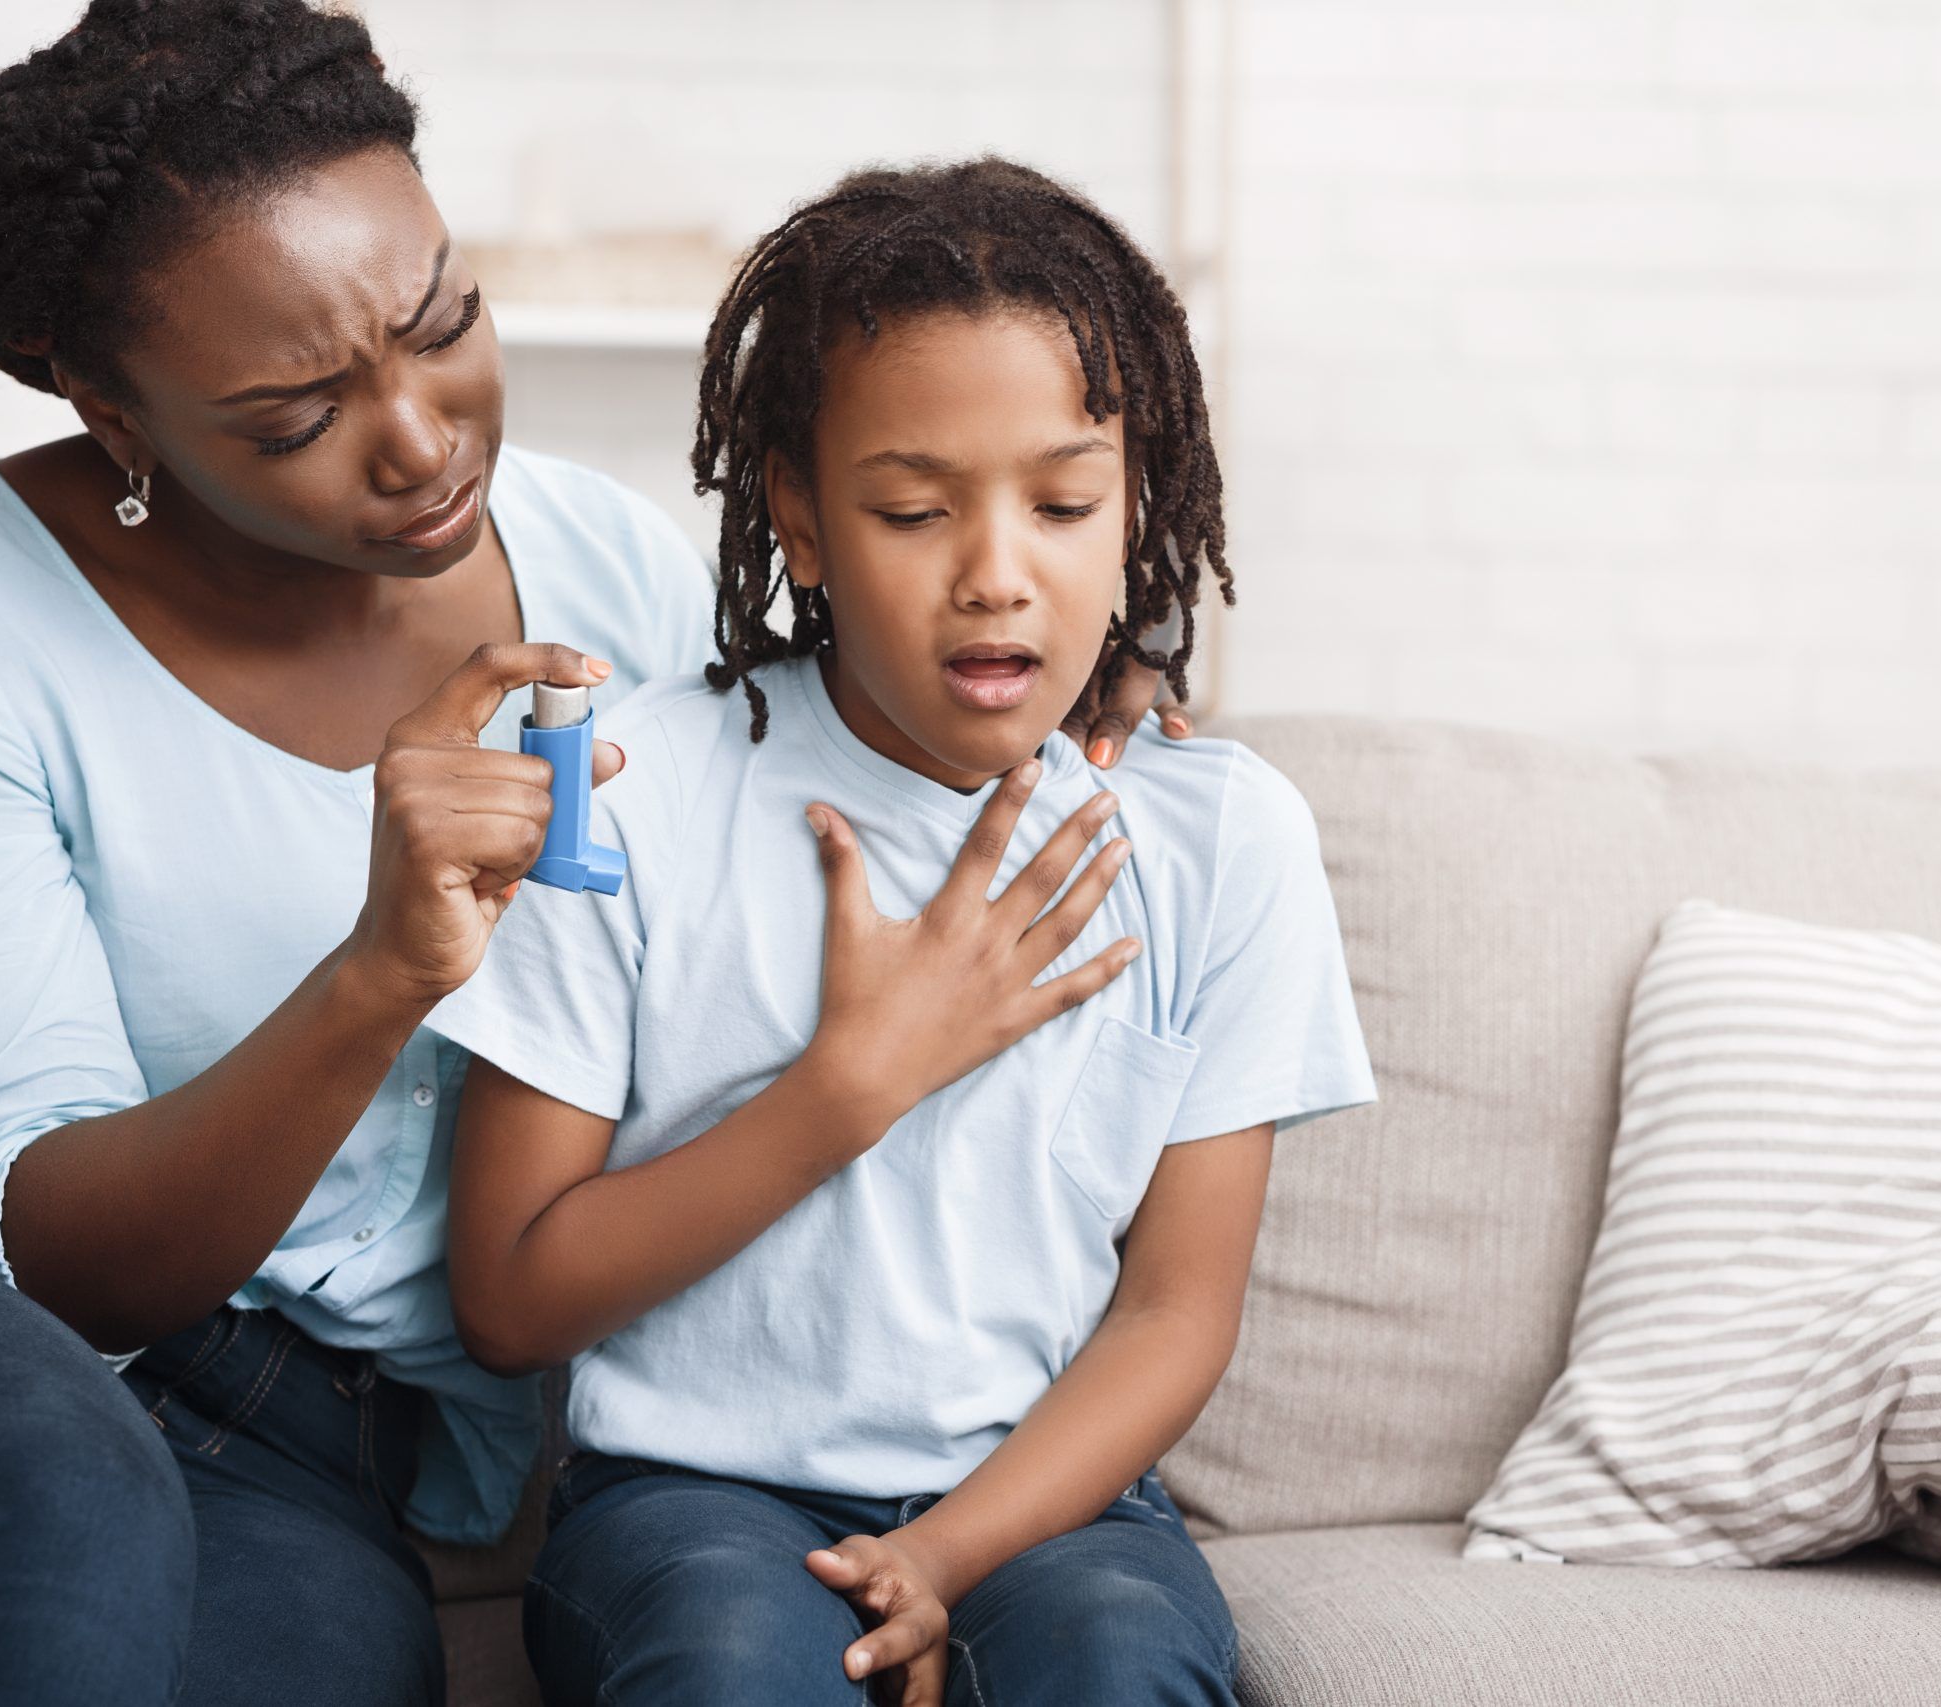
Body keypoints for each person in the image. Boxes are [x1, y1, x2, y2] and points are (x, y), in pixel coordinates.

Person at [0, 8, 1189, 1705]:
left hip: (301, 1449)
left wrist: (1108, 668)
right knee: (57, 1493)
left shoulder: (605, 574)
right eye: (291, 414)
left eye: (445, 323)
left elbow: (894, 666)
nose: (420, 437)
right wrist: (378, 971)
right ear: (114, 409)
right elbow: (29, 1251)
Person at [430, 158, 1380, 1707]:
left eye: (1065, 503)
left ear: (1138, 505)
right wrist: (850, 1087)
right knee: (729, 1670)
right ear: (798, 515)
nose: (998, 572)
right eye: (915, 508)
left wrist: (946, 1551)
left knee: (1119, 1667)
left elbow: (1175, 1309)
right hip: (694, 1498)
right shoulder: (633, 790)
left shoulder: (1222, 839)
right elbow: (511, 1295)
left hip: (1054, 1500)